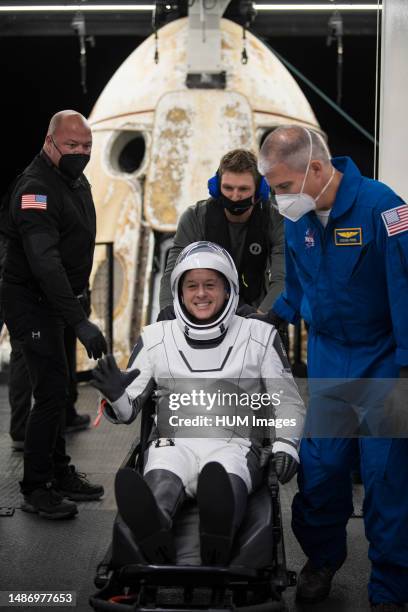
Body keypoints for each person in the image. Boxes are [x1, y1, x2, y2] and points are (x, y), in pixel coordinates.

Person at [255, 125, 408, 611]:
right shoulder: (297, 218)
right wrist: (267, 317)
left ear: (316, 169)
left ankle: (390, 585)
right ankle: (322, 560)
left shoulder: (385, 210)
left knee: (387, 479)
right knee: (320, 472)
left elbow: (406, 290)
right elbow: (298, 287)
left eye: (282, 187)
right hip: (328, 360)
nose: (278, 198)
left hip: (383, 361)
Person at [92, 241, 305, 565]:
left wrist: (287, 445)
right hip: (172, 442)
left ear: (228, 288)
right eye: (192, 285)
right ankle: (154, 532)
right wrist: (116, 396)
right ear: (178, 290)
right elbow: (127, 411)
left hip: (235, 444)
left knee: (224, 475)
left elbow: (288, 403)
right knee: (163, 476)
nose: (201, 294)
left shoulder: (259, 335)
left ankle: (216, 533)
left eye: (210, 285)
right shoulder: (156, 337)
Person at [0, 110, 107, 519]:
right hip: (31, 302)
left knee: (61, 391)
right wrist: (78, 321)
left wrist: (80, 300)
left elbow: (74, 249)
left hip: (59, 301)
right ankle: (37, 486)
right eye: (72, 146)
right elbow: (44, 262)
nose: (81, 153)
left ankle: (59, 472)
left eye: (86, 147)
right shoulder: (36, 189)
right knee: (48, 393)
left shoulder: (73, 179)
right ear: (50, 142)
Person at [158, 149, 285, 327]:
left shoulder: (275, 220)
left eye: (243, 189)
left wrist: (263, 319)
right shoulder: (195, 217)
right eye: (228, 188)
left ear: (260, 190)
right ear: (216, 187)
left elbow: (282, 277)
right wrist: (169, 314)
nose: (235, 196)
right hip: (202, 318)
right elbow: (172, 272)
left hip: (256, 314)